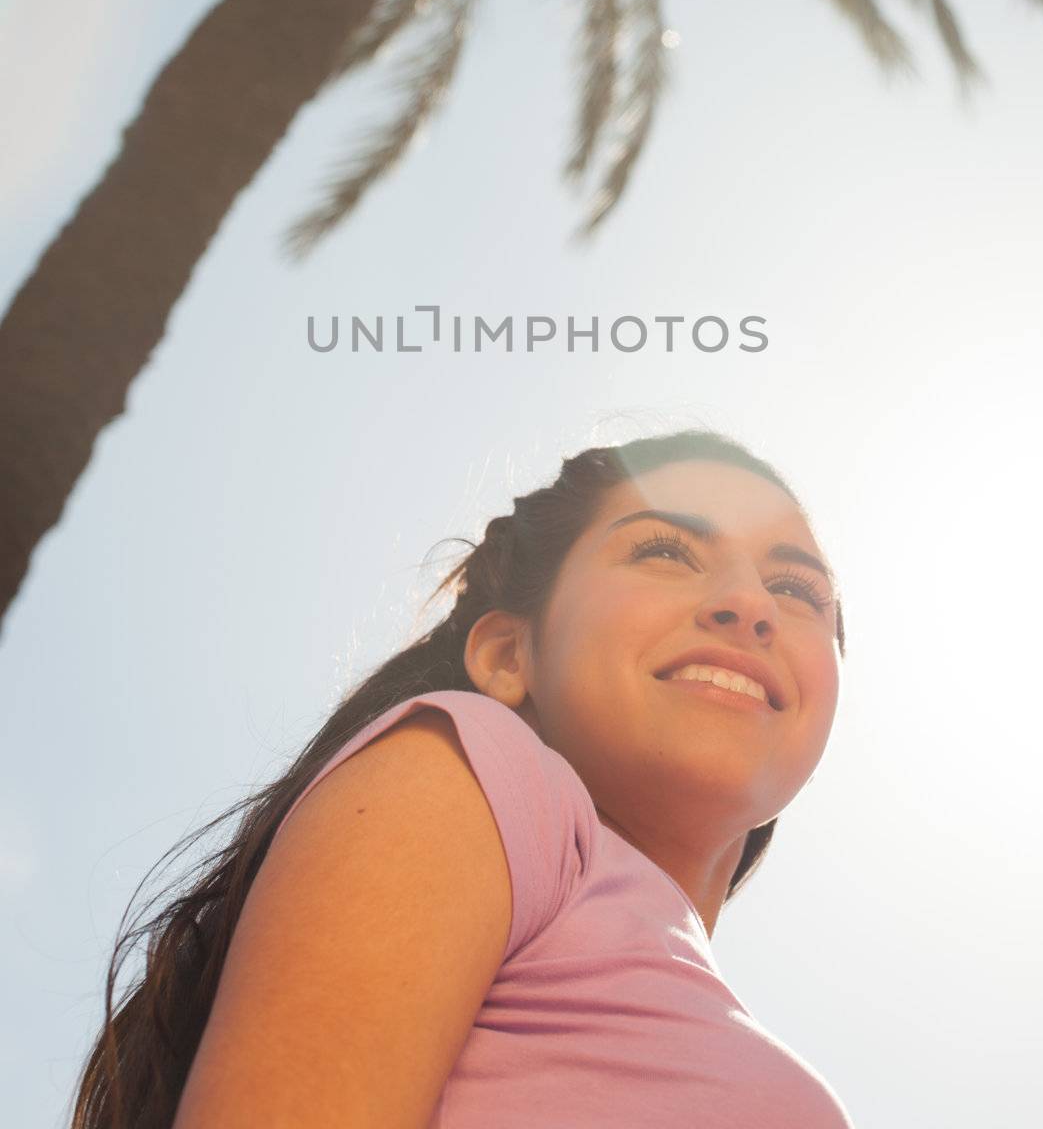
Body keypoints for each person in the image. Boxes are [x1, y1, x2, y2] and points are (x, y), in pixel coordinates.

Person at [71, 429, 854, 1128]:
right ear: (509, 656)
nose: (750, 604)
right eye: (664, 551)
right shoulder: (474, 763)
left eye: (796, 591)